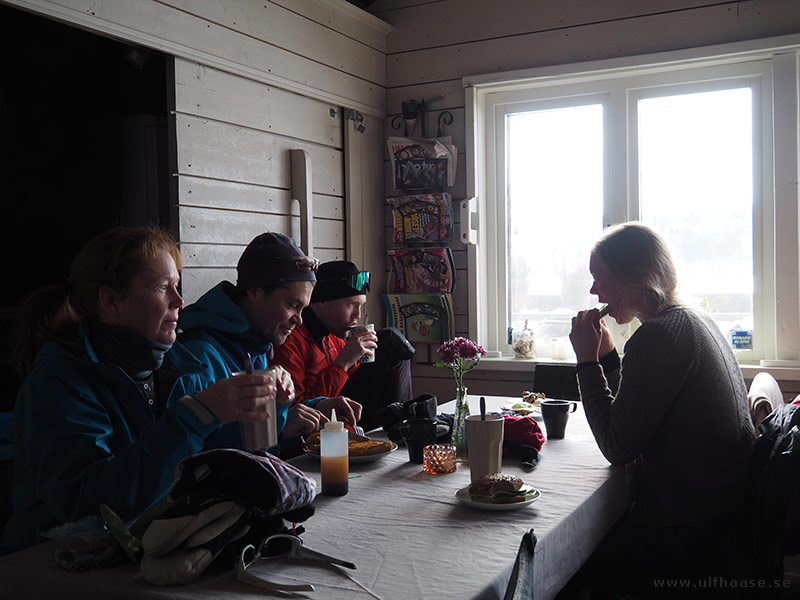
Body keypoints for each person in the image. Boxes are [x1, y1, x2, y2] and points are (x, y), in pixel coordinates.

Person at [2, 227, 275, 553]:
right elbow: (91, 506)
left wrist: (275, 406)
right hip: (50, 566)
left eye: (177, 286)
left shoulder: (182, 369)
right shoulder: (59, 382)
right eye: (162, 288)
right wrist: (196, 415)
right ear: (111, 300)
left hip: (144, 550)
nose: (179, 300)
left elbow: (216, 463)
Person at [563, 222, 755, 596]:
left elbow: (618, 445)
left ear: (632, 276)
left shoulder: (659, 334)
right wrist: (606, 357)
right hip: (721, 510)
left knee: (573, 567)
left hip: (686, 529)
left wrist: (585, 361)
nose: (593, 290)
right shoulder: (690, 319)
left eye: (599, 278)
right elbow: (640, 407)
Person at [178, 233, 361, 447]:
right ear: (254, 292)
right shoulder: (199, 354)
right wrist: (279, 425)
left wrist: (317, 406)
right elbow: (195, 454)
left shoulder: (256, 341)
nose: (299, 320)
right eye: (292, 305)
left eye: (303, 308)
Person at [272, 260, 415, 431]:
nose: (358, 315)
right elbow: (299, 414)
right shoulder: (289, 340)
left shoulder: (336, 333)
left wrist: (356, 359)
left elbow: (355, 384)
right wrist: (343, 362)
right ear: (321, 302)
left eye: (360, 306)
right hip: (319, 429)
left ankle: (406, 423)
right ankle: (404, 426)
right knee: (388, 339)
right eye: (351, 305)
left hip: (352, 414)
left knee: (392, 344)